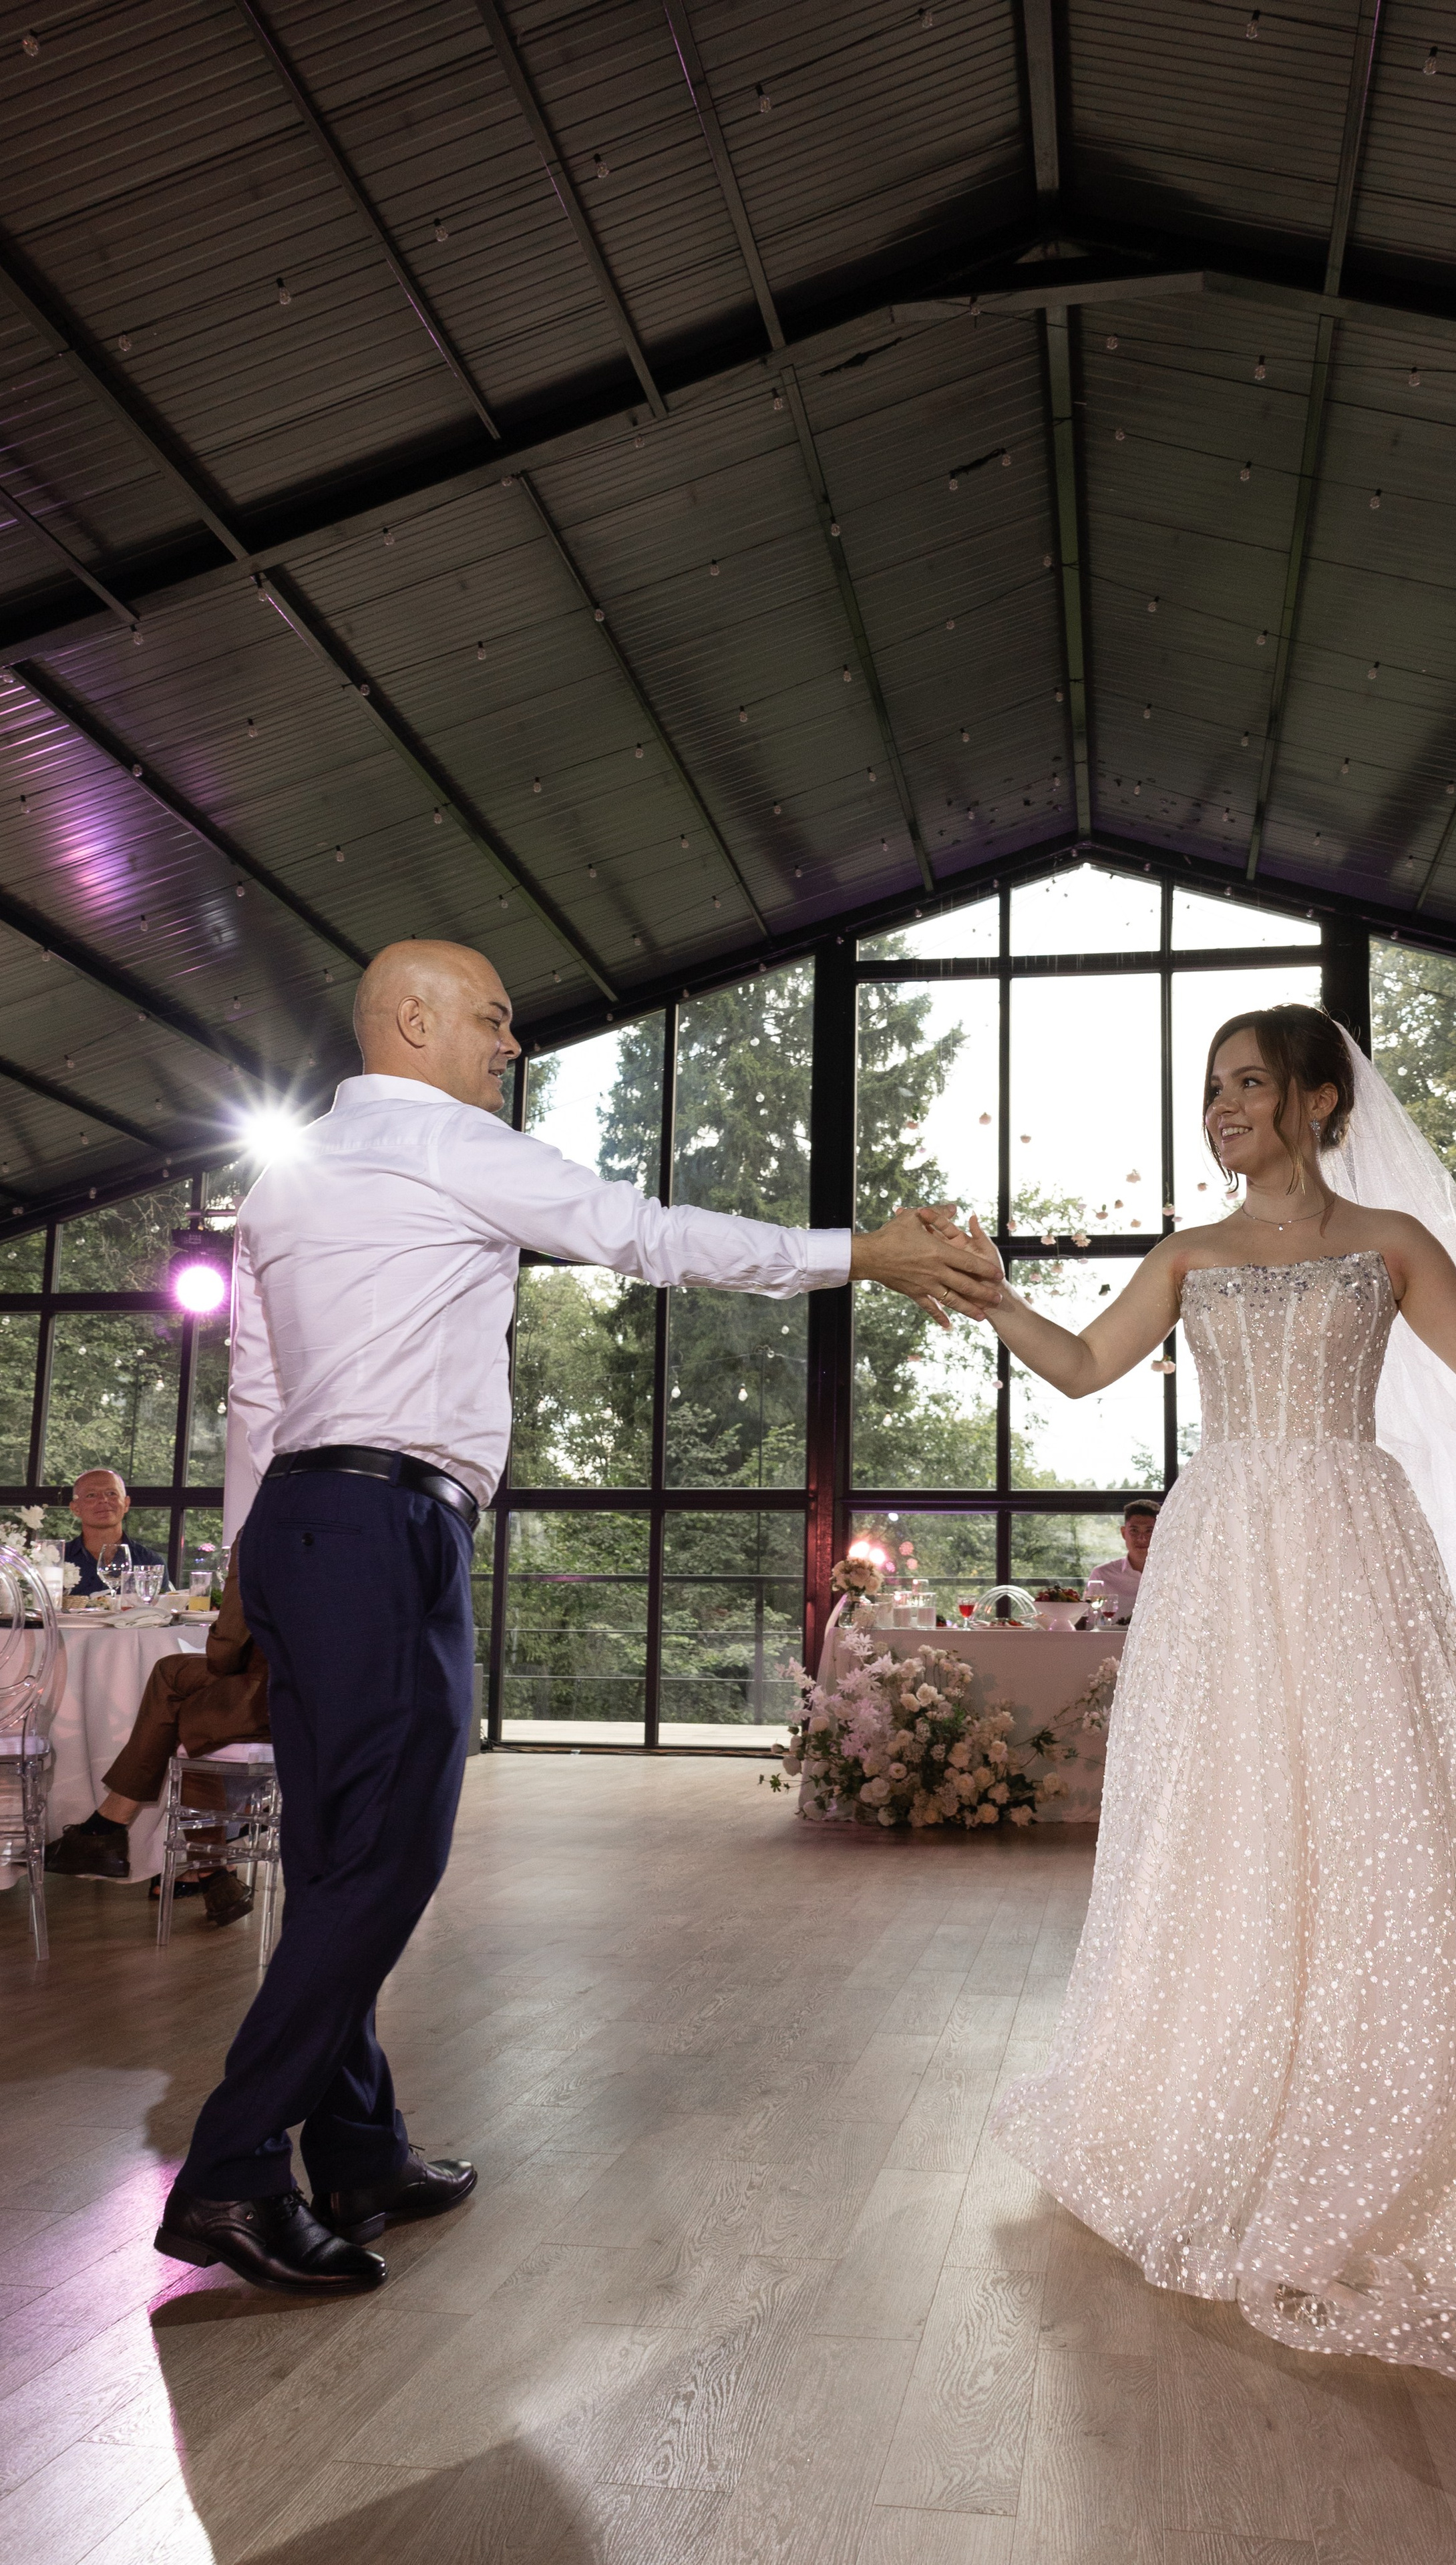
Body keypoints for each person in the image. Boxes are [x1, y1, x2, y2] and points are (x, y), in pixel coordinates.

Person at [154, 938, 1003, 2298]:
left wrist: (244, 1570)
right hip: (387, 1530)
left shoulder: (281, 1179)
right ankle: (235, 2169)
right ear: (412, 1019)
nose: (509, 1044)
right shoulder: (444, 1144)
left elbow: (256, 1398)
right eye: (492, 1019)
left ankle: (359, 2146)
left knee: (332, 1855)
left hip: (308, 1530)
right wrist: (869, 1254)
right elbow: (648, 1235)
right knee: (387, 1857)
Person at [956, 1001, 1456, 2385]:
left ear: (1317, 1100)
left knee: (1382, 1824)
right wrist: (997, 1298)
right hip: (1223, 1551)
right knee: (1229, 1824)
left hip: (1358, 1545)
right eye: (1210, 1091)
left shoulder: (1393, 1243)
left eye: (1246, 1085)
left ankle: (1397, 2107)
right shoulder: (1188, 1254)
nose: (1221, 1108)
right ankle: (1228, 2090)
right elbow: (1077, 1368)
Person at [47, 1549, 266, 1926]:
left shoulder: (265, 1535)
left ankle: (107, 1827)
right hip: (327, 1701)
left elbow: (227, 1651)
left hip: (268, 1696)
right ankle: (212, 1876)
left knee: (171, 1678)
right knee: (195, 1715)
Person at [63, 1468, 166, 1595]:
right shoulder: (57, 1559)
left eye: (111, 1493)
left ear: (126, 1504)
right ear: (75, 1509)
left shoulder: (149, 1562)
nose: (103, 1500)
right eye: (91, 1495)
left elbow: (158, 1611)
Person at [1085, 1496, 1159, 1622]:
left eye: (1149, 1531)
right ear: (1123, 1533)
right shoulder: (1102, 1575)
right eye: (1134, 1531)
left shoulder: (1174, 1574)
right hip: (1111, 1642)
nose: (1142, 1538)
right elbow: (1090, 1623)